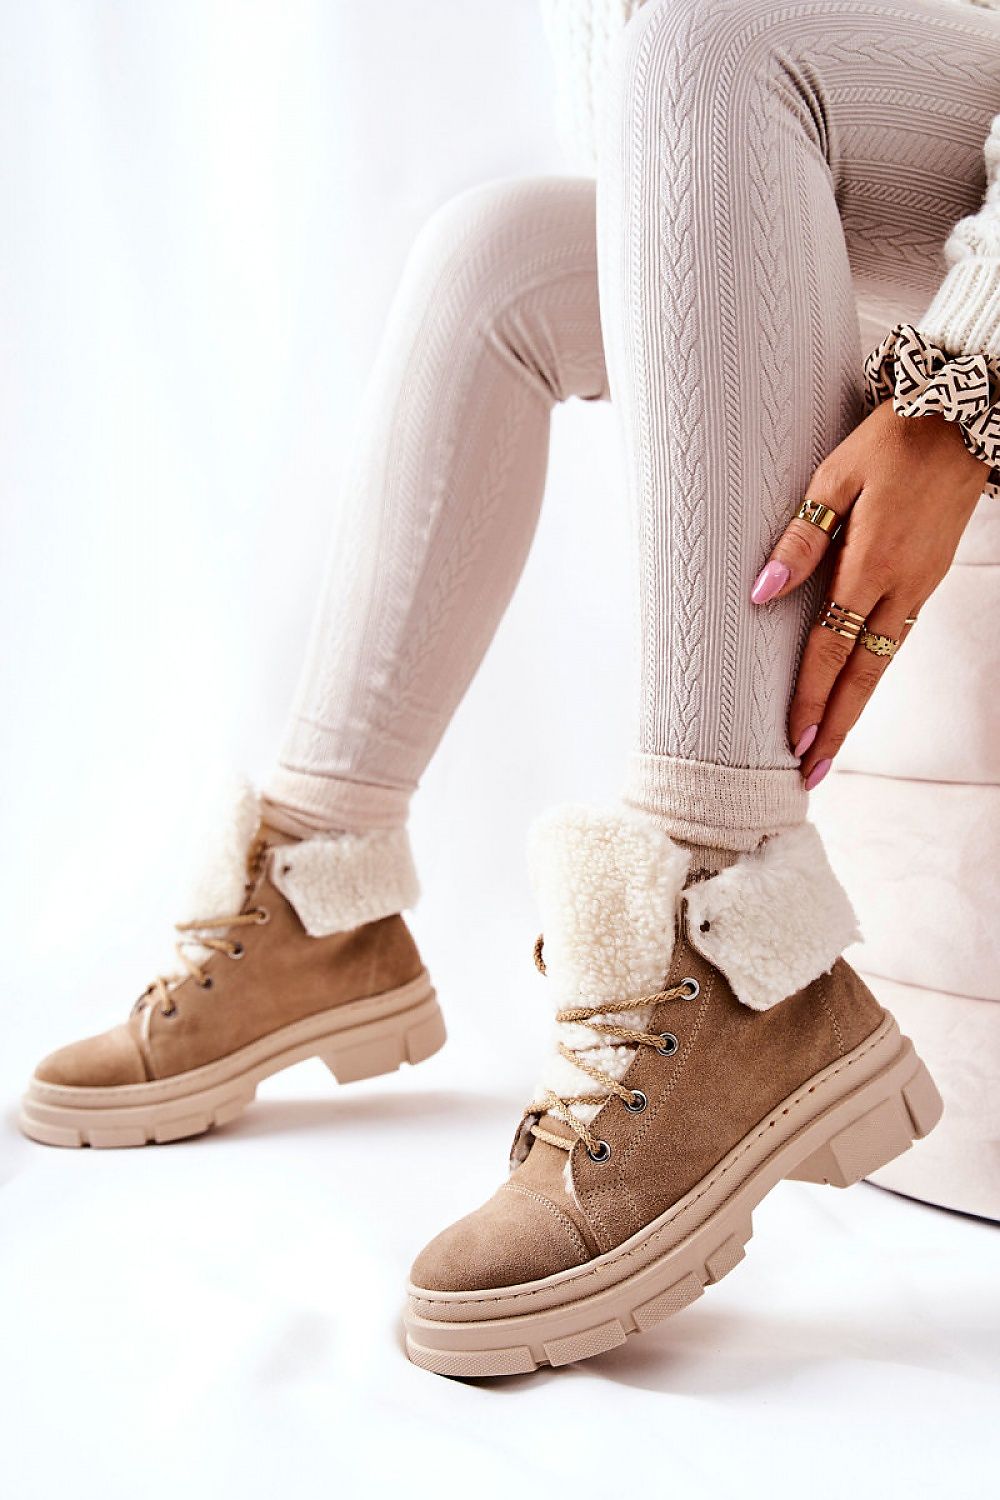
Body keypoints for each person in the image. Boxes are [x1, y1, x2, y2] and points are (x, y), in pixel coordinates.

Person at [19, 0, 1000, 1375]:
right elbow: (654, 130)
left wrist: (962, 386)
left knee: (714, 40)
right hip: (878, 164)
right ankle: (319, 886)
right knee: (497, 254)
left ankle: (727, 929)